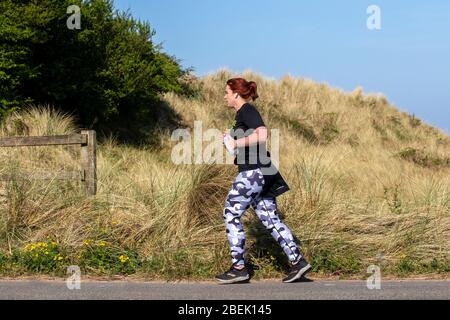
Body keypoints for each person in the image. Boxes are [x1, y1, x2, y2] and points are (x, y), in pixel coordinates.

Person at [215, 77, 311, 284]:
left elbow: (262, 134)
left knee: (230, 213)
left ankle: (239, 268)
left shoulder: (246, 110)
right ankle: (297, 262)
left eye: (226, 92)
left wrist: (236, 141)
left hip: (253, 172)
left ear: (236, 94)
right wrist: (230, 141)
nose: (224, 96)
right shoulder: (242, 114)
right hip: (264, 172)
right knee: (269, 218)